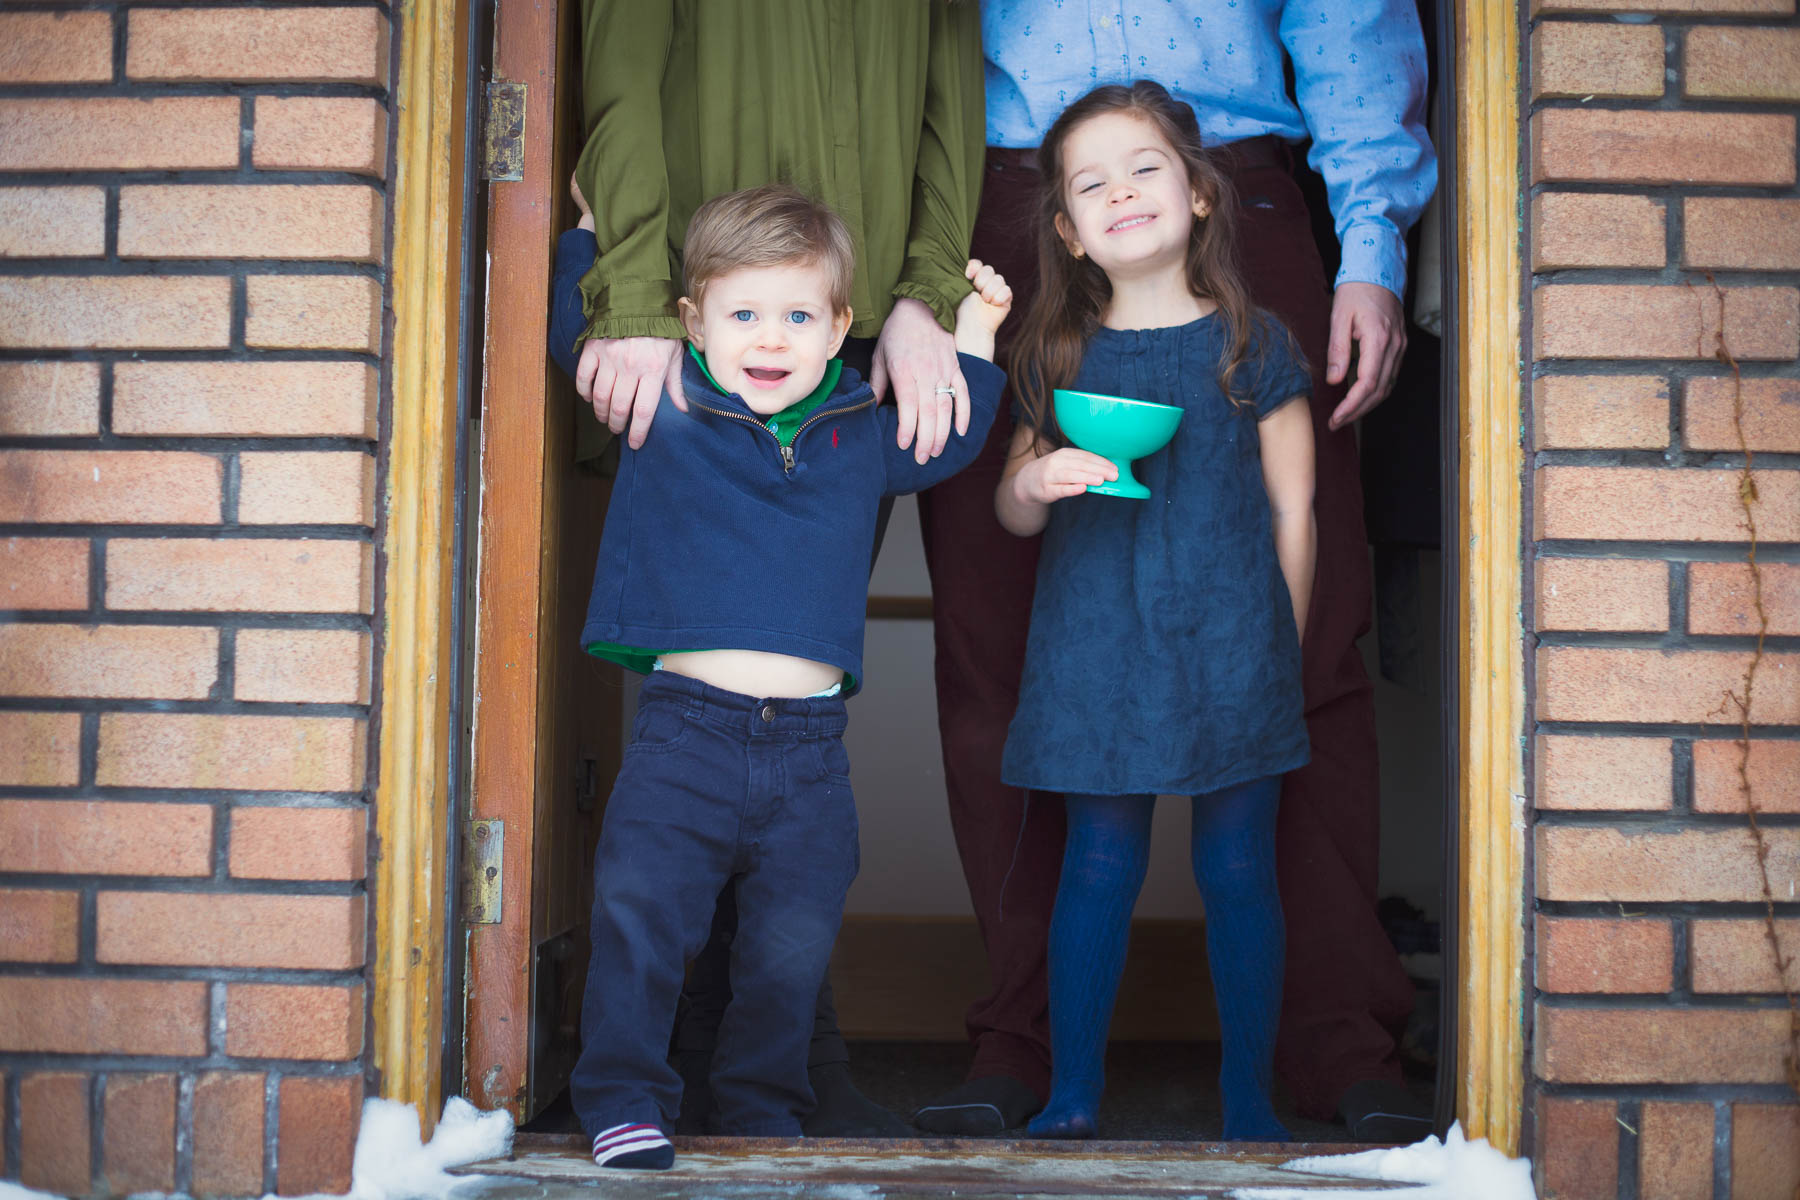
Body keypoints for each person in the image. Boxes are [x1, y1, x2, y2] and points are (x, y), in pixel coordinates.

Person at [913, 2, 1435, 1140]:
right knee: (998, 638)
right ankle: (1027, 1046)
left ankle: (1338, 1045)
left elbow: (1352, 29)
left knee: (1312, 634)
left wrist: (1372, 246)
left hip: (1240, 188)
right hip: (1006, 203)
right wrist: (913, 271)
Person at [566, 1, 988, 1137]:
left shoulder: (855, 427)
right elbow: (584, 300)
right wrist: (610, 258)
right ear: (700, 321)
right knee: (644, 917)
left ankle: (762, 1106)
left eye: (797, 316)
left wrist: (950, 311)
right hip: (686, 731)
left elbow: (952, 429)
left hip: (809, 757)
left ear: (835, 323)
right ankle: (620, 1096)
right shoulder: (679, 407)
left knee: (791, 941)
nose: (768, 336)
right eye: (745, 313)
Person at [991, 81, 1313, 1144]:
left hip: (1235, 650)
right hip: (1095, 652)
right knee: (1097, 864)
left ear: (1202, 194)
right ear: (1071, 233)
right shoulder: (1056, 354)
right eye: (1093, 183)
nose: (1122, 192)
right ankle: (1073, 1091)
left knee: (1237, 868)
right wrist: (1036, 485)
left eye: (1145, 169)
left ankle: (1249, 1099)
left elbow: (1294, 509)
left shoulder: (1251, 343)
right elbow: (1014, 506)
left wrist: (1285, 651)